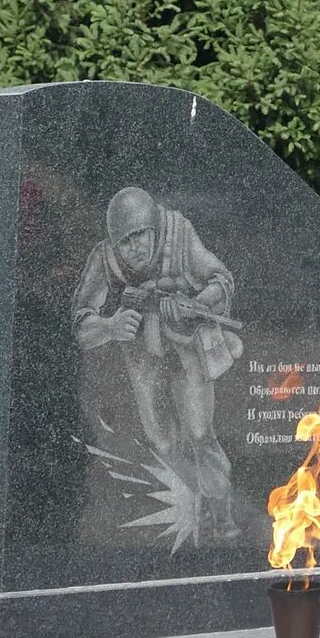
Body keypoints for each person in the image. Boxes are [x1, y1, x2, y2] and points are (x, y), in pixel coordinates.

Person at [74, 186, 245, 550]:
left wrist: (193, 303)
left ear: (154, 226)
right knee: (162, 441)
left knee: (201, 434)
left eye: (140, 236)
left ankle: (223, 517)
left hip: (186, 349)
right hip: (142, 355)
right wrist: (109, 326)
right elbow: (80, 323)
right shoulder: (104, 258)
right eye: (126, 241)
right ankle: (198, 497)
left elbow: (221, 280)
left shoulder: (179, 233)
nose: (135, 247)